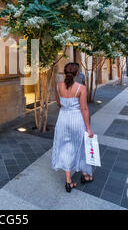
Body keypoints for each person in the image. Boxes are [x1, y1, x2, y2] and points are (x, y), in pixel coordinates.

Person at [51, 62, 94, 193]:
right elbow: (84, 108)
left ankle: (68, 181)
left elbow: (59, 104)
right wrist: (88, 128)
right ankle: (86, 175)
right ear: (77, 74)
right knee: (80, 147)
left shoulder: (58, 86)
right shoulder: (81, 88)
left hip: (63, 120)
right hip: (76, 120)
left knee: (65, 147)